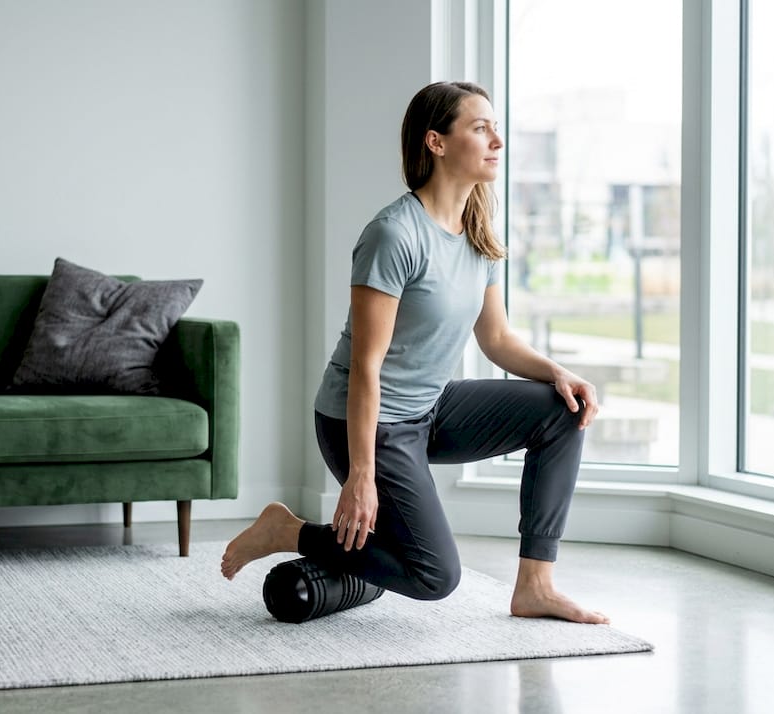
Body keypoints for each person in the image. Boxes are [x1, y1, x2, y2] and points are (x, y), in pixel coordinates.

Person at [221, 81, 607, 624]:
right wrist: (361, 474)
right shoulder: (393, 234)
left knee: (560, 410)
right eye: (480, 128)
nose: (497, 140)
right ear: (437, 142)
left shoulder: (478, 234)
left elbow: (495, 339)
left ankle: (535, 586)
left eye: (495, 127)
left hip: (429, 408)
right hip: (365, 420)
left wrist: (559, 374)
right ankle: (286, 530)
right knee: (434, 576)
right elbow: (366, 365)